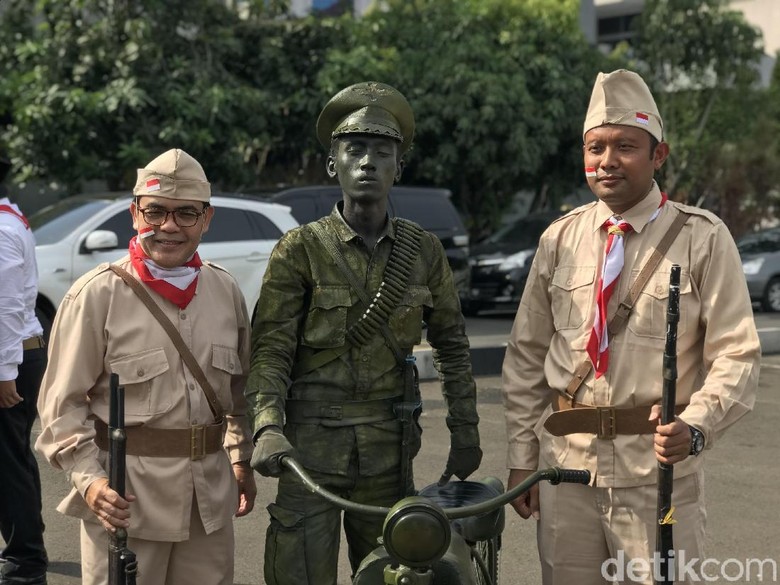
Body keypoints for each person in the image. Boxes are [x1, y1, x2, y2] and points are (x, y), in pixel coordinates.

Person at [502, 69, 760, 585]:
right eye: (595, 147)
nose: (607, 161)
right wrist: (521, 457)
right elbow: (527, 354)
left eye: (626, 146)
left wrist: (699, 426)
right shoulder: (559, 239)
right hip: (566, 473)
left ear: (658, 155)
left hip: (657, 476)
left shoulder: (702, 238)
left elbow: (737, 353)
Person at [246, 81, 482, 585]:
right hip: (308, 454)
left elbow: (453, 347)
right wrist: (267, 425)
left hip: (388, 452)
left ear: (400, 166)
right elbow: (271, 350)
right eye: (355, 150)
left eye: (382, 151)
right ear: (334, 164)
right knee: (299, 576)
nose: (368, 162)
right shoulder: (300, 249)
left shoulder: (422, 252)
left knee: (395, 577)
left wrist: (466, 429)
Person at [35, 149, 257, 585]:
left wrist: (241, 460)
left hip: (208, 502)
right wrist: (91, 483)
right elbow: (61, 407)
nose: (168, 226)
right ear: (135, 214)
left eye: (185, 213)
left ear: (206, 220)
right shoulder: (97, 295)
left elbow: (239, 393)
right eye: (155, 211)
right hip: (126, 500)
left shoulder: (224, 289)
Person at [0, 190, 48, 585]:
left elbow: (6, 305)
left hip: (11, 360)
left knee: (7, 465)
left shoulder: (1, 226)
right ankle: (29, 548)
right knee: (15, 458)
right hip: (20, 356)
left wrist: (3, 373)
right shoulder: (10, 215)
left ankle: (24, 564)